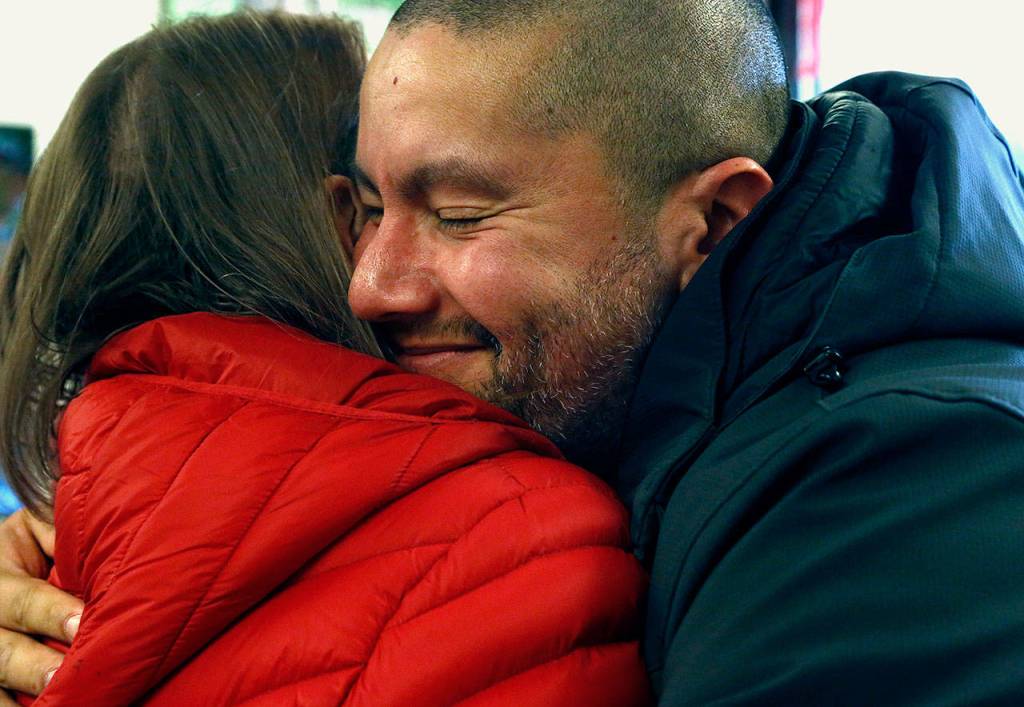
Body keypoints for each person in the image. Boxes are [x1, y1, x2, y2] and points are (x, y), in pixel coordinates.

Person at [6, 0, 1024, 702]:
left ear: (714, 225)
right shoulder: (621, 389)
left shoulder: (909, 495)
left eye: (456, 213)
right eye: (362, 209)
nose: (371, 284)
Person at [0, 11, 651, 705]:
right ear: (333, 222)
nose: (389, 279)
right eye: (375, 205)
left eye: (455, 210)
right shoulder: (530, 529)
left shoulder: (62, 513)